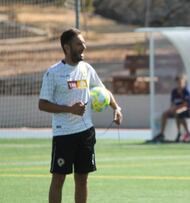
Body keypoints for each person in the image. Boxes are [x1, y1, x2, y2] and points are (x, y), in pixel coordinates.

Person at [38, 28, 123, 203]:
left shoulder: (87, 68)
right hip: (64, 134)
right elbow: (42, 104)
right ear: (67, 48)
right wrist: (70, 109)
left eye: (84, 43)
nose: (84, 46)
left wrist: (116, 108)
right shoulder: (53, 73)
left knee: (82, 178)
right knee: (59, 178)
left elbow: (103, 90)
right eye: (79, 44)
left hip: (86, 133)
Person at [152, 75, 190, 142]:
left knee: (178, 113)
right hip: (175, 109)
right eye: (178, 82)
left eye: (181, 82)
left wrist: (176, 108)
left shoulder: (186, 92)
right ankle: (162, 134)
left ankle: (179, 132)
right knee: (165, 114)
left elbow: (186, 104)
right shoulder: (174, 91)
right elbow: (172, 102)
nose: (179, 84)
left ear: (184, 83)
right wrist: (171, 108)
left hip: (185, 109)